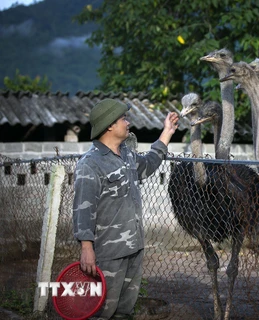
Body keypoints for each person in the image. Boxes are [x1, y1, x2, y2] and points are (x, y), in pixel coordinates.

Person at [72, 98, 179, 319]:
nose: (128, 123)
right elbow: (83, 209)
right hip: (109, 255)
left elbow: (149, 164)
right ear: (110, 125)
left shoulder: (127, 154)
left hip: (134, 249)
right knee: (101, 311)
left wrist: (167, 132)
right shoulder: (90, 164)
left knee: (125, 311)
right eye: (124, 118)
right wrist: (86, 248)